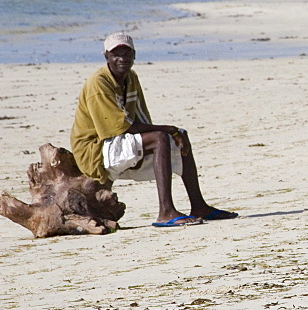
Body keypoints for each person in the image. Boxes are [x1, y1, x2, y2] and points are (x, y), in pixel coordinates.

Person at [70, 32, 237, 227]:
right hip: (95, 149)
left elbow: (140, 118)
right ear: (106, 56)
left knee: (179, 135)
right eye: (116, 54)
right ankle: (165, 212)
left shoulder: (131, 77)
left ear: (135, 55)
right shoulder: (99, 82)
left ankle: (199, 206)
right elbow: (119, 127)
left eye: (127, 53)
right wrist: (167, 130)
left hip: (116, 140)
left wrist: (173, 133)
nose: (122, 58)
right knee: (160, 137)